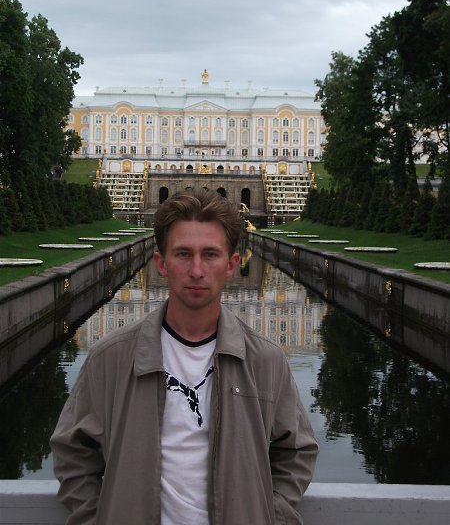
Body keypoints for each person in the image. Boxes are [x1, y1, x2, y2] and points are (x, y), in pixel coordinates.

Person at [50, 188, 318, 525]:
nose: (196, 270)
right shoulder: (111, 358)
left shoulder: (266, 361)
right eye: (183, 254)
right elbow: (73, 452)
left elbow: (296, 452)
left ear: (232, 264)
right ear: (161, 263)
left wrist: (267, 514)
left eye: (210, 254)